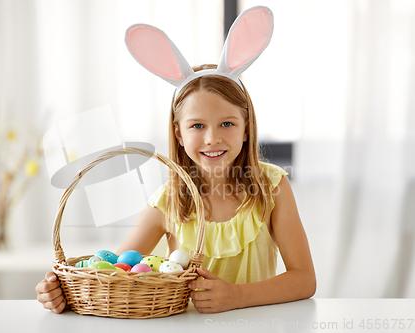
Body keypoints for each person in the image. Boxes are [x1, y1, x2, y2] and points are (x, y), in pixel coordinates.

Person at [36, 6, 315, 314]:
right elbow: (112, 274)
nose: (212, 138)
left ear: (246, 128)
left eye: (227, 123)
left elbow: (304, 280)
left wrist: (237, 296)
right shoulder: (168, 203)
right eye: (197, 126)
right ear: (178, 133)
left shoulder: (272, 187)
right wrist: (61, 293)